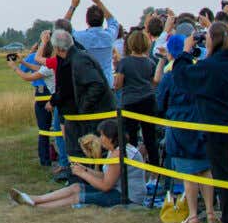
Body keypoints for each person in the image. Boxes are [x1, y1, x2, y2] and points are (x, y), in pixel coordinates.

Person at [173, 22, 228, 223]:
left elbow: (181, 76)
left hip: (216, 128)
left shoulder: (211, 67)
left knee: (223, 178)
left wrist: (186, 51)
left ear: (212, 40)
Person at [8, 119, 145, 209]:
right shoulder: (115, 149)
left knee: (76, 197)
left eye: (103, 135)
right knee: (75, 187)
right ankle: (34, 199)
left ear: (111, 137)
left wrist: (83, 174)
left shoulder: (118, 153)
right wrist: (85, 170)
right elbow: (105, 176)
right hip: (117, 190)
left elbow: (105, 185)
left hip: (127, 197)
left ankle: (34, 206)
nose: (100, 139)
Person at [156, 34, 217, 223]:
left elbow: (159, 105)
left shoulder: (170, 76)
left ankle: (193, 215)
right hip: (201, 125)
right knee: (206, 170)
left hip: (180, 128)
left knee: (189, 175)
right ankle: (210, 212)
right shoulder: (199, 71)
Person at [48, 28, 115, 168]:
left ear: (57, 48)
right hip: (89, 117)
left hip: (95, 116)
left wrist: (83, 107)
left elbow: (97, 84)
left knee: (94, 153)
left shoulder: (79, 60)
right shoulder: (75, 58)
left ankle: (89, 183)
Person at [113, 28, 160, 167]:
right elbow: (153, 82)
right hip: (148, 101)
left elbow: (118, 85)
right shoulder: (151, 62)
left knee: (130, 137)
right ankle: (154, 169)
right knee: (150, 137)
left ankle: (131, 166)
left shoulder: (125, 63)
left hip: (130, 102)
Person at [9, 31, 56, 169]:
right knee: (56, 129)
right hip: (53, 95)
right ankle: (55, 157)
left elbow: (26, 73)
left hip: (43, 95)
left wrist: (15, 66)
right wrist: (23, 61)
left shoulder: (39, 60)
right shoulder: (58, 60)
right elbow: (37, 67)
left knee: (44, 130)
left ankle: (46, 159)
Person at [64, 0, 120, 86]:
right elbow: (113, 22)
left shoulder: (80, 37)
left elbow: (64, 27)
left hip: (88, 84)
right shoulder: (109, 36)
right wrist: (99, 2)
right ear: (102, 20)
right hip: (106, 84)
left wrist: (73, 6)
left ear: (87, 21)